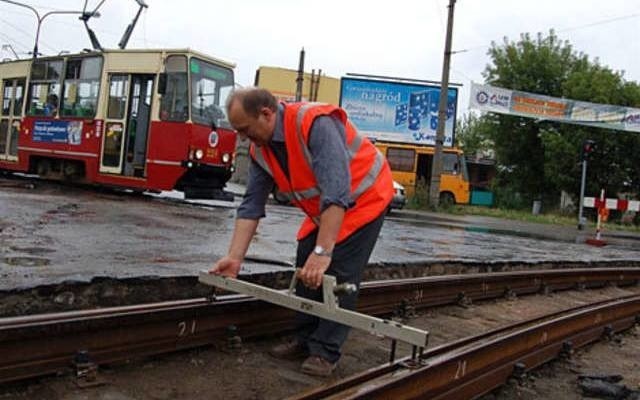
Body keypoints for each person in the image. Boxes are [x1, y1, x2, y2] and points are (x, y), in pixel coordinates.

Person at [209, 88, 394, 376]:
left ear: (266, 114)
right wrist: (234, 258)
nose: (243, 138)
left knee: (336, 273)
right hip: (325, 210)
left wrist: (324, 252)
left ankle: (326, 352)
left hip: (366, 198)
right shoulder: (262, 150)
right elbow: (251, 206)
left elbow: (336, 191)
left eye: (244, 129)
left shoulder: (315, 123)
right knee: (305, 264)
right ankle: (305, 339)